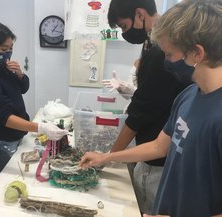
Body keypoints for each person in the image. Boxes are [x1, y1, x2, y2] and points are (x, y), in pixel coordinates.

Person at [80, 0, 222, 216]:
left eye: (169, 55)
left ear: (197, 53)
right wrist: (106, 157)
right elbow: (158, 146)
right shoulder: (187, 96)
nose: (165, 62)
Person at [100, 0, 193, 214]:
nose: (125, 33)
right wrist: (134, 92)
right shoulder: (150, 45)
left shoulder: (159, 52)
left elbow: (141, 112)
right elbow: (156, 96)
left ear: (140, 14)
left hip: (159, 160)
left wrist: (109, 156)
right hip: (157, 147)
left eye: (124, 26)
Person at [0, 22, 66, 156]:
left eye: (10, 48)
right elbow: (4, 117)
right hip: (0, 141)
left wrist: (20, 74)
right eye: (3, 49)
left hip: (14, 136)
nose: (8, 53)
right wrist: (40, 127)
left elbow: (23, 88)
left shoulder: (2, 67)